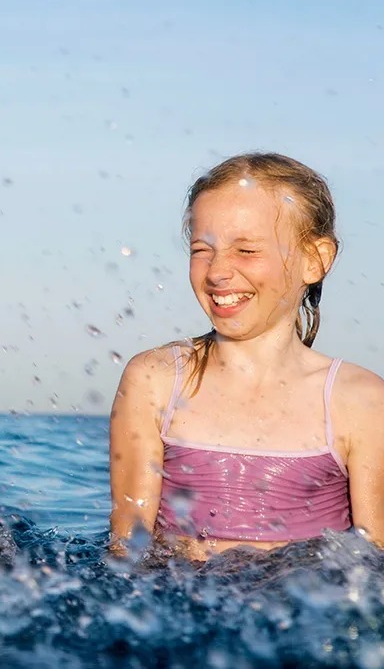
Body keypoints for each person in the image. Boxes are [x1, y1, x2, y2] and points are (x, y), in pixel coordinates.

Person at [109, 153, 384, 558]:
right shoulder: (156, 380)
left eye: (246, 251)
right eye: (203, 249)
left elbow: (374, 560)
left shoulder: (358, 400)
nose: (218, 271)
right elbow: (125, 554)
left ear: (314, 260)